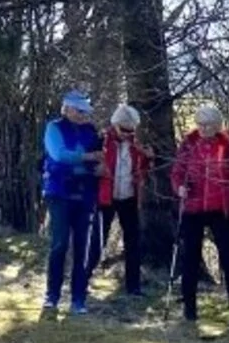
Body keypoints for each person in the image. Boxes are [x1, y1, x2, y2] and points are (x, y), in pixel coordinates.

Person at [171, 104, 229, 331]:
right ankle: (189, 309)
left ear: (218, 125)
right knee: (190, 259)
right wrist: (179, 189)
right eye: (201, 124)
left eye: (209, 125)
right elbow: (177, 172)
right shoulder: (189, 143)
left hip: (220, 210)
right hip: (193, 208)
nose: (204, 129)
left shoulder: (227, 145)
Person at [41, 90, 103, 314]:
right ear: (66, 109)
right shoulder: (54, 128)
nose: (83, 115)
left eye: (85, 111)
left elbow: (100, 155)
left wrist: (100, 167)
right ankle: (52, 296)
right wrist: (86, 157)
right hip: (60, 192)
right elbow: (59, 155)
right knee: (59, 244)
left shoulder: (91, 131)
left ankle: (78, 298)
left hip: (85, 193)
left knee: (82, 247)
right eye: (79, 110)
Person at [87, 104, 152, 295]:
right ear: (115, 125)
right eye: (124, 130)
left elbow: (143, 169)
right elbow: (87, 165)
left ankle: (133, 286)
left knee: (133, 241)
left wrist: (148, 158)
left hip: (129, 197)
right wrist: (95, 171)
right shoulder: (101, 140)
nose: (127, 134)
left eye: (131, 130)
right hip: (105, 197)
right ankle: (83, 279)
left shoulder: (136, 143)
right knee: (98, 239)